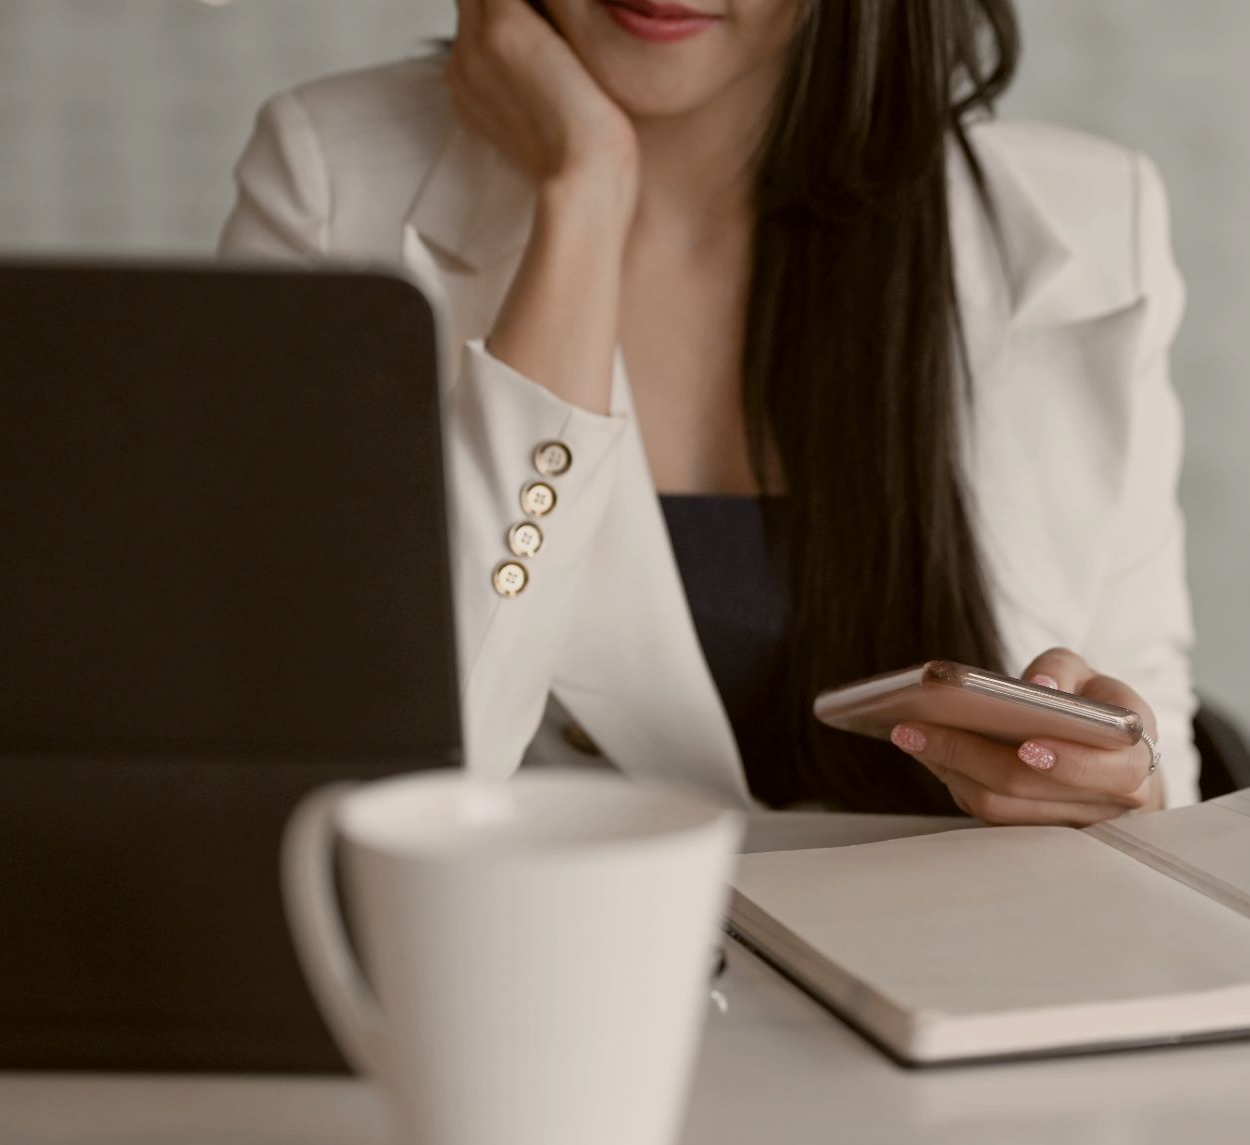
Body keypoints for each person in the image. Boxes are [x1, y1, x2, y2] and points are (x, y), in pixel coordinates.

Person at [219, 0, 1196, 825]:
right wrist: (582, 195)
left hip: (951, 1016)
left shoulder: (1093, 222)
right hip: (536, 1005)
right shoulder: (333, 189)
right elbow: (382, 802)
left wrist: (1117, 789)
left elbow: (1166, 807)